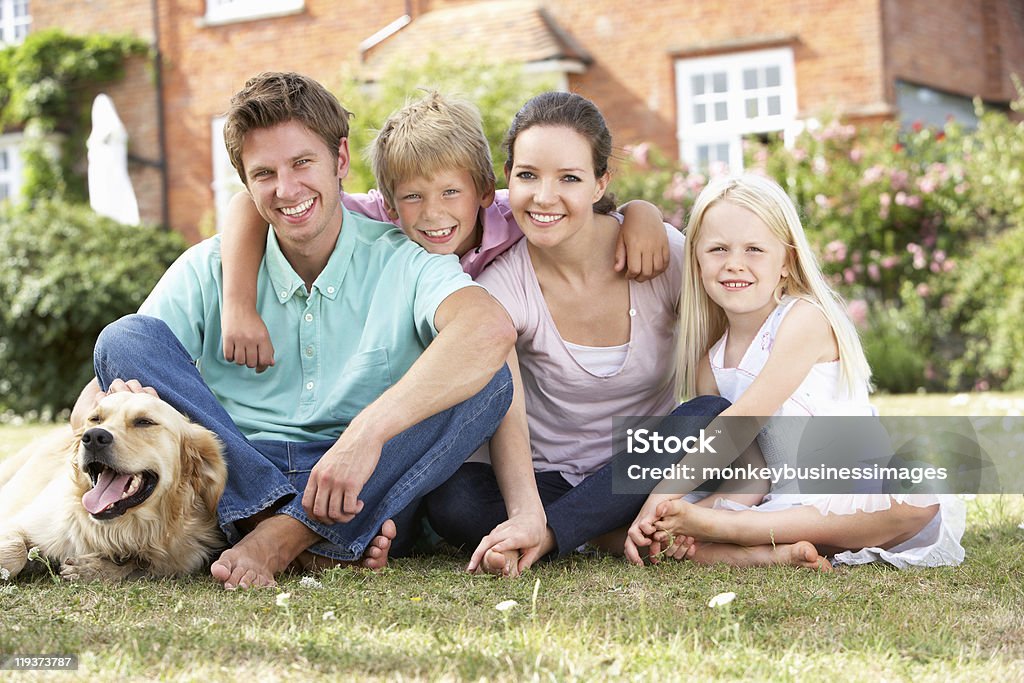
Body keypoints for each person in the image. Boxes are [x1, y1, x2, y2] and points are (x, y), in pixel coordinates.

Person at [69, 72, 518, 589]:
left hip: (358, 480)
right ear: (246, 182)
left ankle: (280, 536)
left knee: (490, 380)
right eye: (265, 173)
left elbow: (487, 328)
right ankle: (288, 526)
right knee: (123, 337)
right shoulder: (209, 267)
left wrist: (364, 437)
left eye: (302, 163)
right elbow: (117, 367)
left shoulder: (402, 259)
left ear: (341, 161)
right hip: (239, 466)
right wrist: (91, 406)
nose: (286, 189)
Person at [422, 91, 731, 577]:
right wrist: (525, 510)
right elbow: (509, 413)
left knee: (713, 416)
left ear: (599, 182)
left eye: (569, 177)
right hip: (549, 481)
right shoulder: (500, 286)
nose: (545, 197)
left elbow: (723, 358)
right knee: (452, 500)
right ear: (508, 179)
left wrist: (643, 212)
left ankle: (556, 536)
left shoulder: (660, 254)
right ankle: (600, 532)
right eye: (527, 176)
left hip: (641, 471)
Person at [625, 174, 965, 570]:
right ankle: (767, 552)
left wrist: (663, 497)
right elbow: (752, 476)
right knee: (635, 538)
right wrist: (675, 514)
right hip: (781, 505)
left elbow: (743, 420)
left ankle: (734, 532)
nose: (735, 263)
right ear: (696, 261)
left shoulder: (804, 319)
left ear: (786, 261)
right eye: (718, 249)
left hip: (853, 489)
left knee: (917, 494)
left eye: (754, 249)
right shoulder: (711, 364)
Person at [218, 91, 670, 374]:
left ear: (485, 190)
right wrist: (238, 307)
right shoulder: (380, 217)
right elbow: (249, 203)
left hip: (496, 371)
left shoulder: (517, 213)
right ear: (392, 203)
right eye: (413, 197)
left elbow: (579, 206)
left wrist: (641, 214)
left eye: (451, 192)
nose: (433, 215)